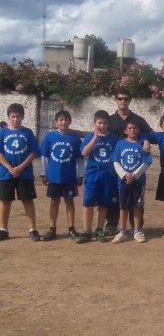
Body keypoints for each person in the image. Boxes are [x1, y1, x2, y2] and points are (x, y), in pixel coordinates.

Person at [106, 89, 152, 234]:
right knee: (115, 195)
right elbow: (101, 133)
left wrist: (145, 140)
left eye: (126, 99)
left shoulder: (137, 119)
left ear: (130, 100)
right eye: (120, 99)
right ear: (116, 100)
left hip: (135, 164)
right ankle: (112, 224)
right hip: (115, 162)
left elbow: (149, 133)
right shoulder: (110, 119)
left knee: (136, 197)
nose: (123, 101)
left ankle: (136, 226)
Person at [39, 110, 85, 242]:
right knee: (54, 202)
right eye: (60, 120)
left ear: (70, 122)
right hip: (53, 176)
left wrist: (80, 175)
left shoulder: (75, 138)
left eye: (66, 120)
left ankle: (71, 229)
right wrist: (43, 173)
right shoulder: (49, 137)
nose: (63, 122)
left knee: (69, 202)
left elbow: (80, 158)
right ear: (56, 122)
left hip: (69, 176)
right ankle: (52, 229)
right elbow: (44, 156)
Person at [0, 103, 40, 242]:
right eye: (13, 116)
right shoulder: (2, 132)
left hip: (25, 173)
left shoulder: (27, 132)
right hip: (5, 173)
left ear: (22, 117)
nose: (15, 119)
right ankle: (3, 229)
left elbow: (33, 152)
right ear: (8, 117)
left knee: (27, 200)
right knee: (5, 201)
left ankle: (32, 229)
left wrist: (20, 168)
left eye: (18, 116)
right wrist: (10, 167)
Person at [79, 110, 119, 242]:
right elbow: (84, 152)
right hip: (93, 173)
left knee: (104, 203)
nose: (102, 126)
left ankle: (99, 230)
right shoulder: (90, 136)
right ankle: (87, 231)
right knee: (88, 202)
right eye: (99, 123)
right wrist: (95, 137)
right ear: (95, 123)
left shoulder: (113, 138)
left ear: (108, 124)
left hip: (107, 174)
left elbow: (117, 155)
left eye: (105, 123)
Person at [111, 121, 152, 243]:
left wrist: (135, 175)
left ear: (139, 130)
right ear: (125, 131)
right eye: (130, 128)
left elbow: (146, 162)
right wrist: (125, 175)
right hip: (123, 181)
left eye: (135, 128)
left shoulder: (143, 144)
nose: (132, 130)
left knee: (137, 206)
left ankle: (137, 230)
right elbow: (115, 161)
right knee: (123, 206)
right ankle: (122, 231)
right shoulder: (120, 144)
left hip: (138, 181)